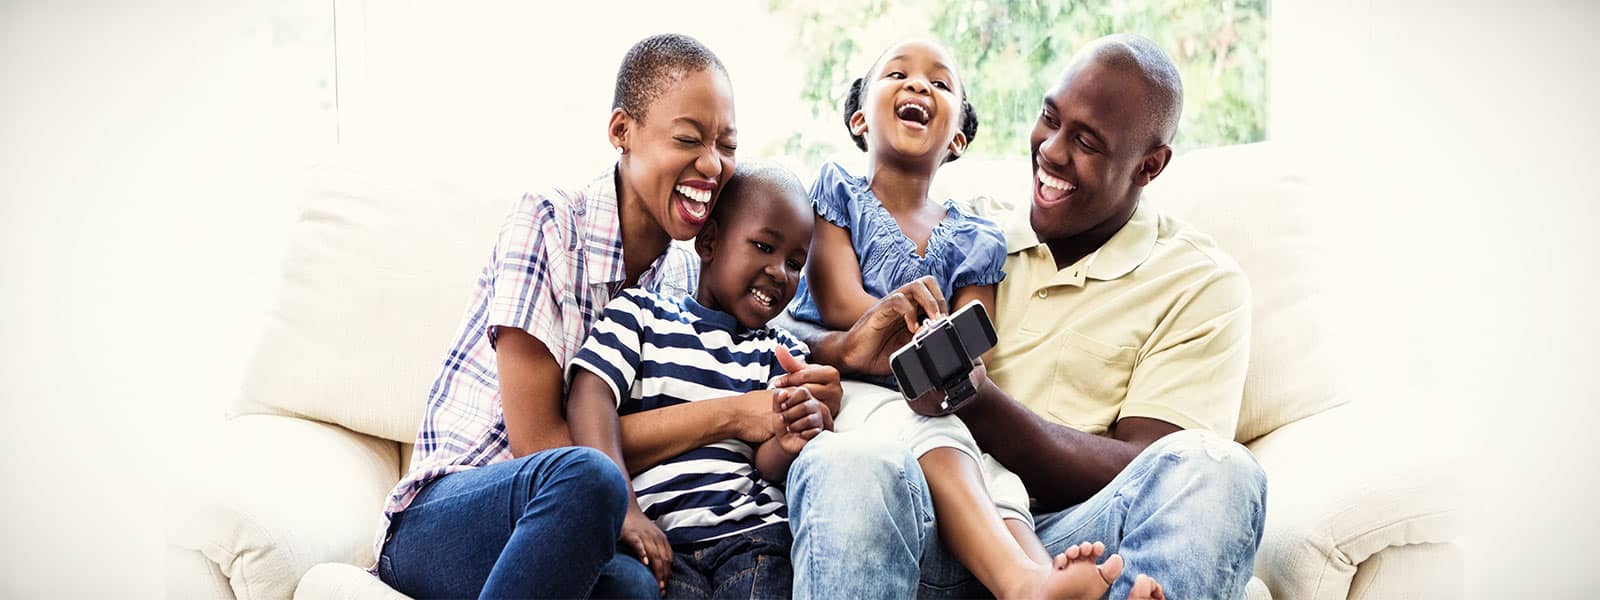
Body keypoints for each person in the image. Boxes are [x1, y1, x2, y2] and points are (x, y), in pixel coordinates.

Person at [782, 34, 1267, 600]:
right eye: (1049, 118)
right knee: (849, 462)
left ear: (1149, 166)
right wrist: (847, 350)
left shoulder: (1199, 281)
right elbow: (794, 317)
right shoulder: (971, 233)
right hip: (930, 526)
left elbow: (1148, 464)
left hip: (1078, 543)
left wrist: (974, 400)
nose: (1052, 151)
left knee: (1220, 471)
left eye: (1086, 142)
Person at [372, 33, 739, 599]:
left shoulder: (684, 281)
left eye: (727, 145)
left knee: (637, 589)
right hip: (444, 519)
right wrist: (727, 419)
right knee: (591, 477)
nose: (712, 163)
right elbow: (537, 439)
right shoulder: (548, 222)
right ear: (622, 132)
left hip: (575, 534)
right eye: (689, 139)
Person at [566, 162, 840, 599]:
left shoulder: (782, 353)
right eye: (763, 247)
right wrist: (625, 512)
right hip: (664, 543)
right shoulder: (640, 314)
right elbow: (588, 397)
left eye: (794, 262)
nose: (779, 272)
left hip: (755, 541)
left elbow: (766, 464)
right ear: (709, 242)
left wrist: (789, 440)